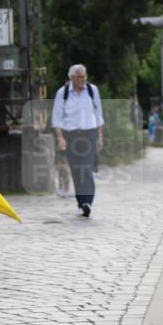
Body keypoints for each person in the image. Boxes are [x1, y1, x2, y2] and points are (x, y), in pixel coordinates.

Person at [51, 64, 105, 217]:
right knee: (76, 170)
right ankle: (81, 202)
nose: (84, 79)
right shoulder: (62, 93)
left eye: (85, 76)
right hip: (70, 135)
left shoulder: (92, 90)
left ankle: (88, 201)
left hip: (89, 133)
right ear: (72, 78)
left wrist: (100, 136)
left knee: (86, 167)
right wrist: (60, 138)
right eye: (80, 77)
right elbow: (57, 118)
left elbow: (99, 114)